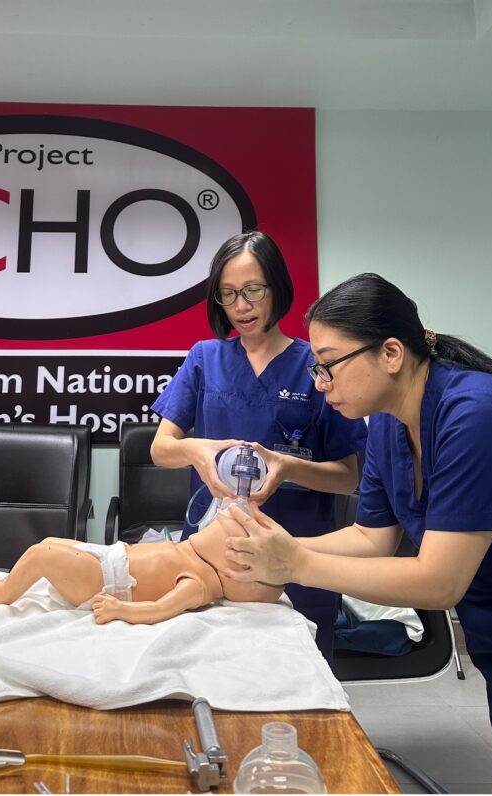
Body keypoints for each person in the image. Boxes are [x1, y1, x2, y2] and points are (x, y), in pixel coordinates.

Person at [222, 272, 492, 794]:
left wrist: (293, 564)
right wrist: (269, 548)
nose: (320, 384)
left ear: (390, 353)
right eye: (316, 369)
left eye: (329, 365)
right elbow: (371, 538)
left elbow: (438, 583)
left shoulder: (481, 415)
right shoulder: (387, 420)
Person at [149, 230, 367, 661]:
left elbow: (348, 478)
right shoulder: (205, 359)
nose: (241, 307)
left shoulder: (315, 366)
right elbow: (161, 449)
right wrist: (198, 450)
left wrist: (285, 467)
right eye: (228, 295)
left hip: (301, 554)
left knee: (300, 687)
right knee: (210, 674)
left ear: (277, 288)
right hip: (213, 557)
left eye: (252, 290)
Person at [0, 510, 283, 625]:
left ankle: (3, 593)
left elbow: (159, 609)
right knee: (52, 542)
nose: (225, 523)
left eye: (234, 534)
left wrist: (120, 610)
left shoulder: (198, 584)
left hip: (105, 580)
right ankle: (11, 583)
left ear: (236, 568)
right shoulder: (196, 555)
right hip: (110, 557)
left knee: (42, 554)